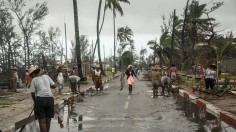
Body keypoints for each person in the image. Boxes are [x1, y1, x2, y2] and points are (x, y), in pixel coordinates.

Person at [29, 66, 56, 132]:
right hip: (50, 99)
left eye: (31, 75)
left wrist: (35, 102)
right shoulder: (46, 76)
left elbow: (32, 93)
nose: (31, 77)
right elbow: (54, 86)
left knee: (42, 122)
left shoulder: (34, 80)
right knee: (48, 121)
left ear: (33, 74)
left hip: (40, 100)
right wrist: (47, 85)